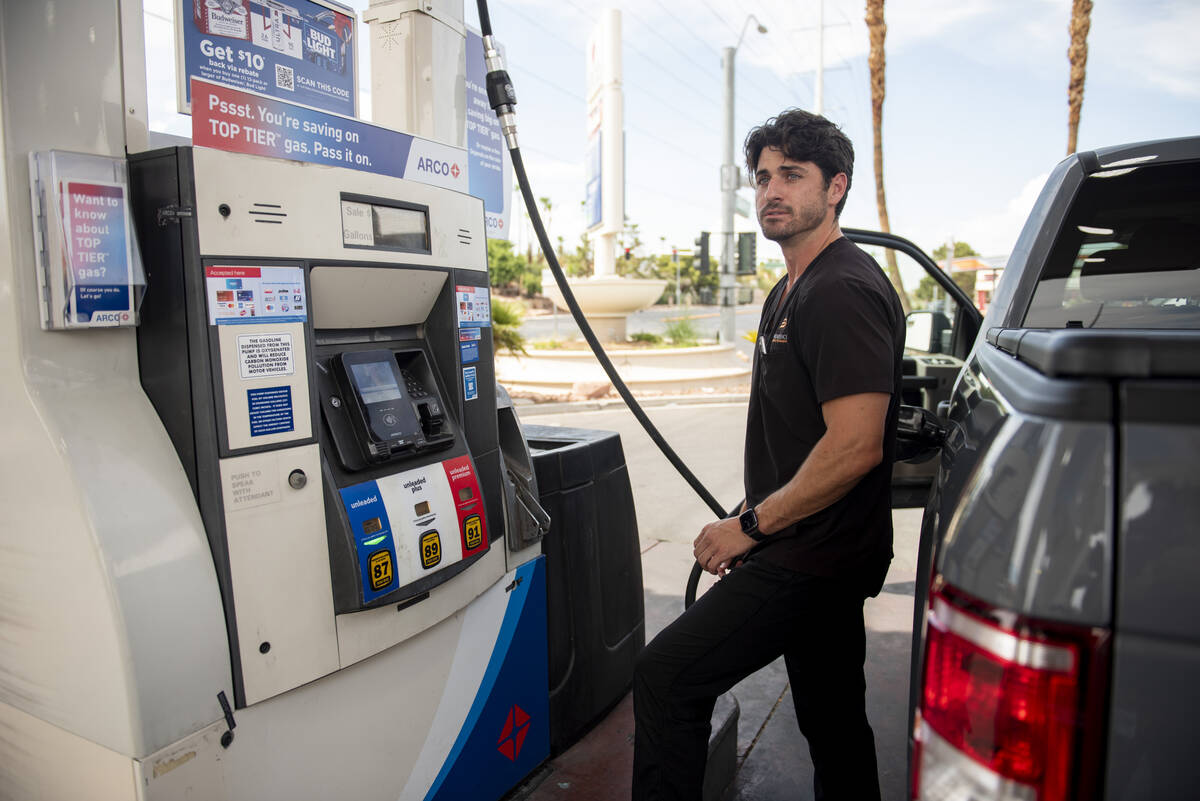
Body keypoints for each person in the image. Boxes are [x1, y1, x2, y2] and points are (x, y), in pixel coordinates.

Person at [631, 109, 904, 801]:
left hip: (812, 557)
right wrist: (753, 510)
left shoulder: (840, 289)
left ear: (835, 187)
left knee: (667, 675)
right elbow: (802, 438)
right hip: (811, 544)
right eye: (762, 177)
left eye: (792, 175)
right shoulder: (790, 288)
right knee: (833, 719)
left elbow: (854, 446)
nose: (771, 191)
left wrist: (749, 529)